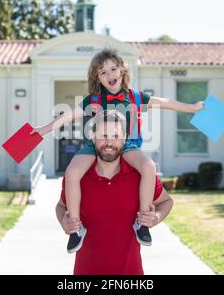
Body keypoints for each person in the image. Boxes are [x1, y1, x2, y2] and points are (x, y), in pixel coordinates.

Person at [33, 48, 204, 253]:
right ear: (97, 78)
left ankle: (142, 222)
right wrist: (42, 130)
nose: (110, 75)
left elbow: (165, 103)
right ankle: (76, 229)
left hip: (128, 144)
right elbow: (66, 117)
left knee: (148, 166)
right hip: (95, 144)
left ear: (122, 70)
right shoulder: (93, 100)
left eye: (113, 69)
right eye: (103, 72)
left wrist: (192, 108)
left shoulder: (135, 97)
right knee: (71, 172)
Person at [55, 110, 174, 275]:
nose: (109, 142)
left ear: (125, 139)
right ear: (93, 137)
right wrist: (64, 221)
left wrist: (155, 218)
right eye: (103, 135)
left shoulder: (139, 176)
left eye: (116, 136)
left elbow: (166, 202)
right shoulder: (79, 177)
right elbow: (61, 206)